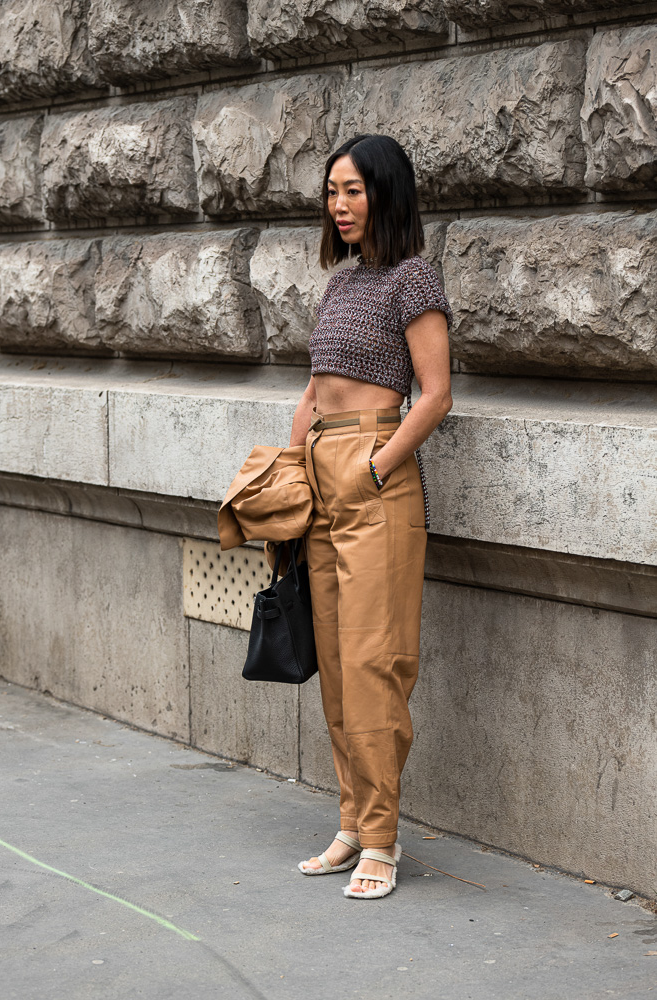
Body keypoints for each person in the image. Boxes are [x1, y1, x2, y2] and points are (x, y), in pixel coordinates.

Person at [294, 133, 454, 899]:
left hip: (374, 477)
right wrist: (295, 472)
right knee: (333, 663)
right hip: (321, 477)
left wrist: (375, 465)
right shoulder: (341, 285)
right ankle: (353, 819)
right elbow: (313, 389)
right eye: (332, 192)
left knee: (373, 663)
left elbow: (436, 395)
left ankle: (384, 841)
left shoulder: (413, 279)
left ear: (386, 192)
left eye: (353, 190)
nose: (340, 205)